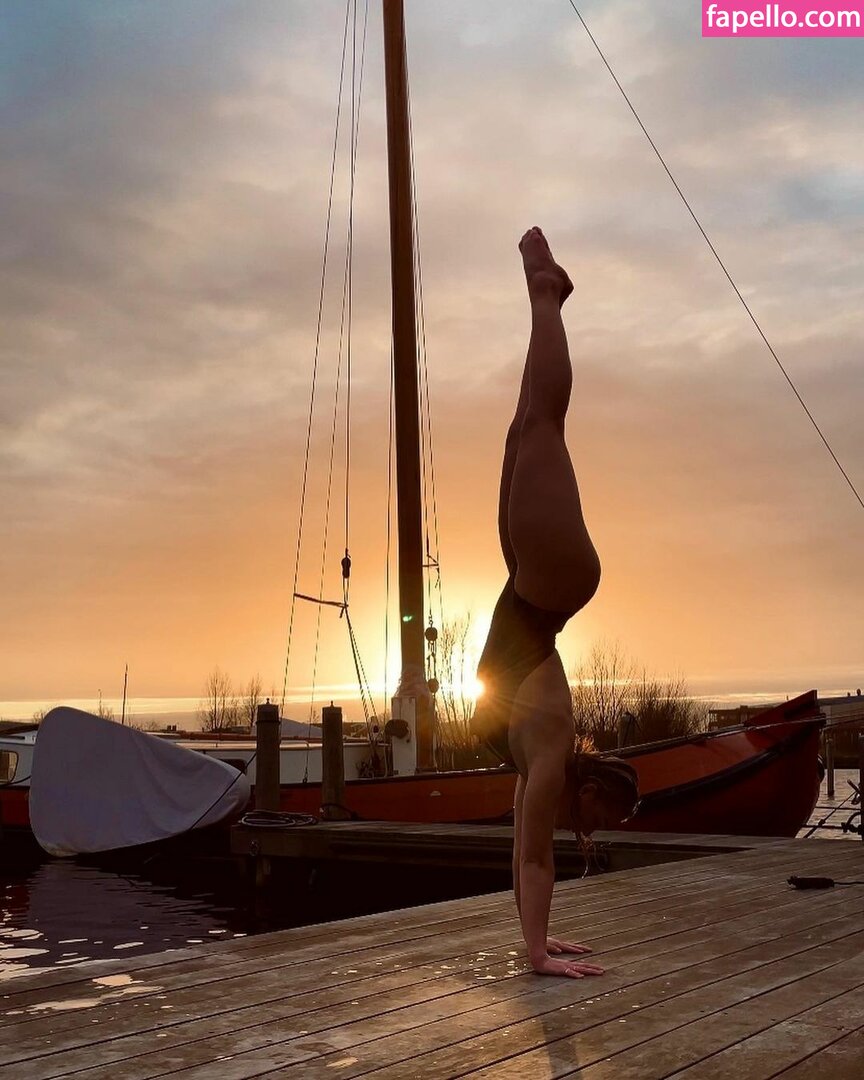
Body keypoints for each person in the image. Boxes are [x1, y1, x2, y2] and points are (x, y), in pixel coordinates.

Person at [471, 227, 639, 979]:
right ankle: (546, 293)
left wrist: (536, 944)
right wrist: (538, 953)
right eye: (606, 818)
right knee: (543, 424)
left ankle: (546, 298)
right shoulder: (552, 745)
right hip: (552, 584)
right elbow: (539, 856)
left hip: (532, 585)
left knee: (523, 429)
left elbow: (522, 851)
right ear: (592, 790)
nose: (598, 832)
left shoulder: (537, 762)